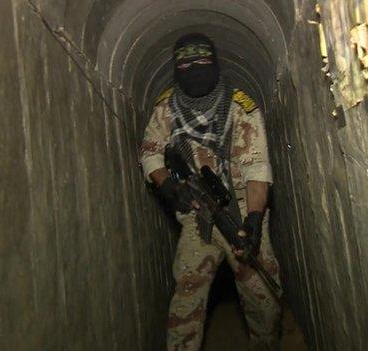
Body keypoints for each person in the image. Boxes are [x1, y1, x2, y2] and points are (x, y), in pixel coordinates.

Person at [140, 33, 282, 351]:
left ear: (215, 64)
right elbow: (150, 154)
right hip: (196, 214)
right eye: (186, 64)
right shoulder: (167, 109)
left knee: (264, 299)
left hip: (241, 212)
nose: (195, 70)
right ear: (176, 70)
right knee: (186, 296)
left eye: (203, 62)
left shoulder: (241, 108)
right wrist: (168, 185)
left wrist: (255, 220)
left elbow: (257, 168)